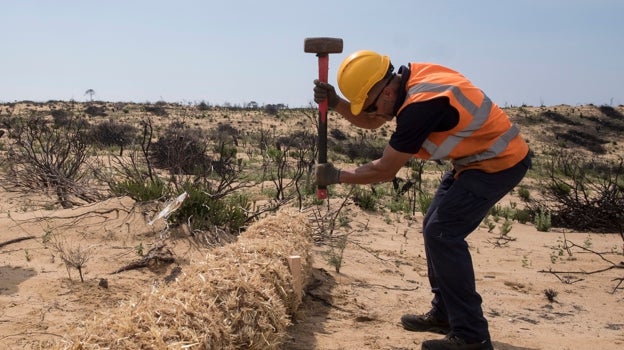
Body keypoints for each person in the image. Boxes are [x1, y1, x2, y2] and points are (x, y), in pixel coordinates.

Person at [313, 50, 531, 350]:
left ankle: (471, 337)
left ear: (388, 90)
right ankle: (445, 313)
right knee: (434, 225)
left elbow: (385, 169)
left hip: (499, 163)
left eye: (373, 105)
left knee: (443, 233)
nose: (374, 113)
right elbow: (374, 121)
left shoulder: (421, 106)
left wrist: (336, 176)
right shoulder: (410, 80)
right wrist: (337, 102)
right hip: (472, 162)